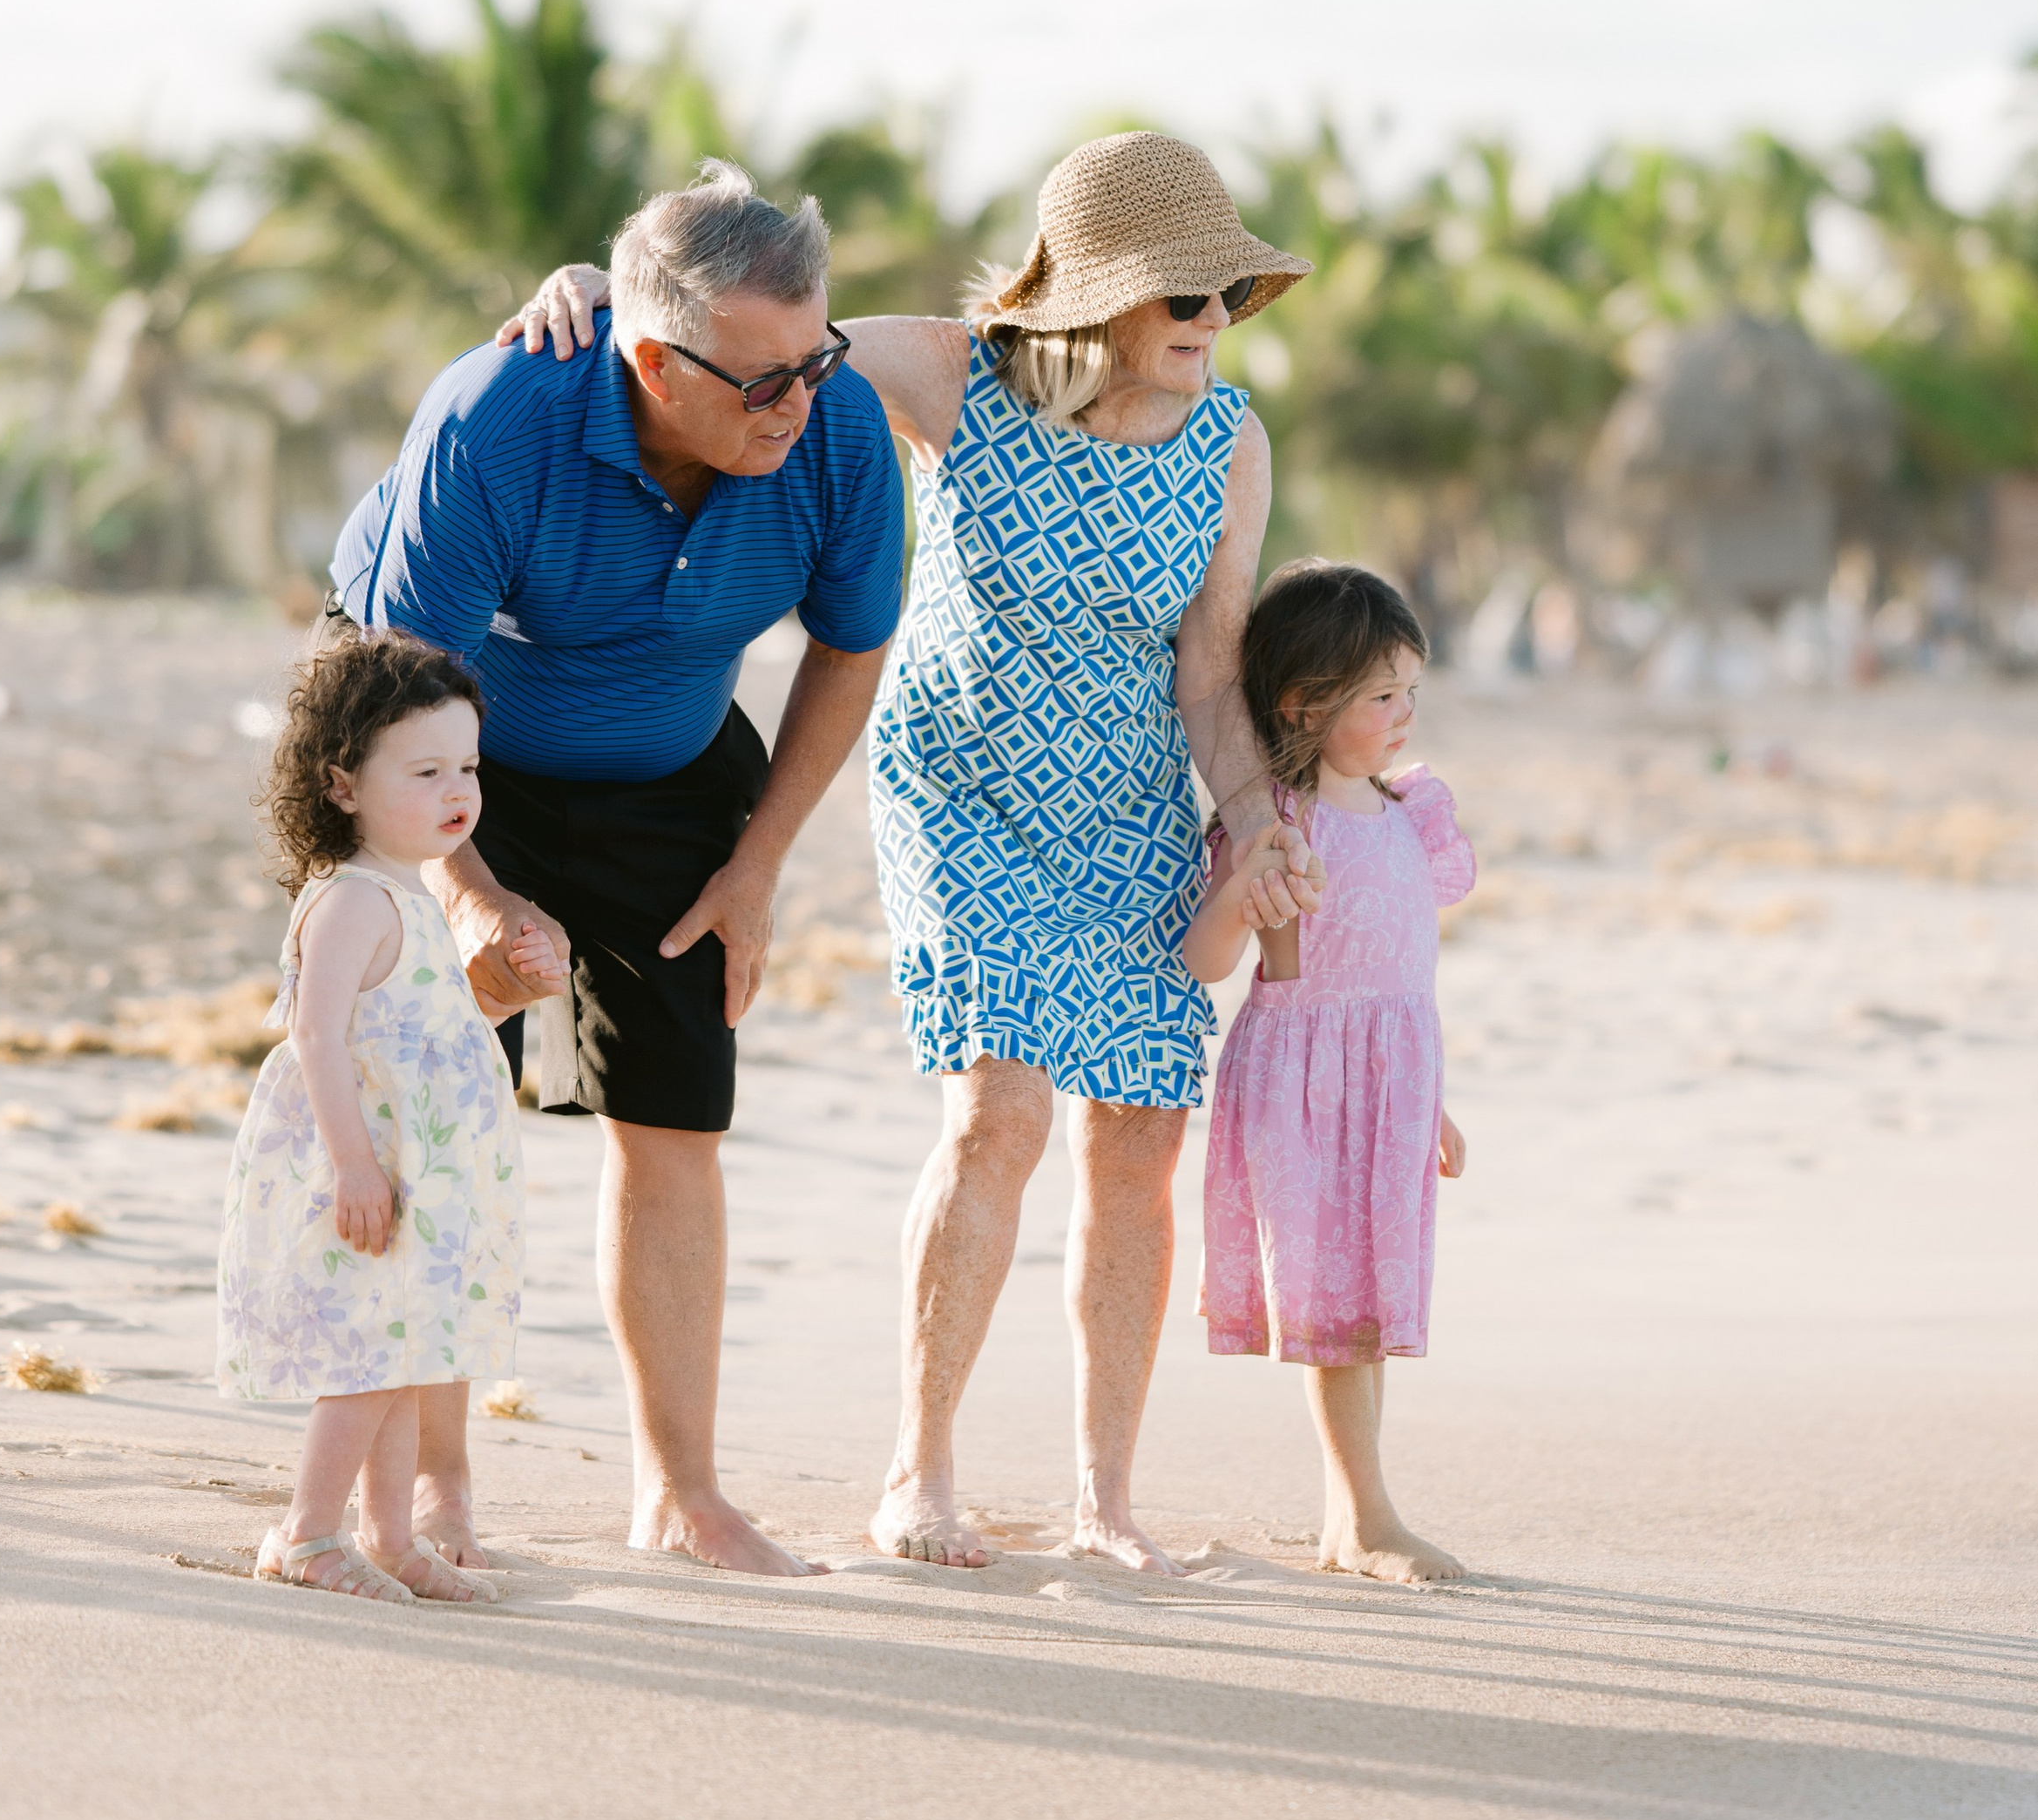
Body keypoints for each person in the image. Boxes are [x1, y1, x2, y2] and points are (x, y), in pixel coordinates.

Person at [509, 130, 1323, 1577]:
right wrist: (602, 285)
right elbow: (755, 342)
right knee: (995, 1117)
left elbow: (1210, 671)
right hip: (963, 792)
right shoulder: (959, 378)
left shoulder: (1231, 443)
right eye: (1182, 295)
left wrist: (1253, 816)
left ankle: (1103, 1498)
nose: (1213, 320)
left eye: (1224, 294)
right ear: (1092, 299)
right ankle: (919, 1474)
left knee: (1135, 1144)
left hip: (1130, 806)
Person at [338, 162, 904, 1580]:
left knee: (673, 1112)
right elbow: (398, 687)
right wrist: (470, 896)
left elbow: (849, 648)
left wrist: (759, 864)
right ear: (653, 361)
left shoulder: (830, 430)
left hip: (668, 761)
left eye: (816, 359)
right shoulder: (498, 417)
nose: (801, 400)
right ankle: (403, 1485)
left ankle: (681, 1494)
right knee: (435, 1082)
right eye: (762, 379)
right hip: (443, 749)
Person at [219, 627, 537, 1604]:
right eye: (427, 768)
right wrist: (355, 1166)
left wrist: (511, 994)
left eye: (469, 767)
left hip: (422, 1175)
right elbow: (314, 1036)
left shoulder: (415, 892)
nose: (458, 790)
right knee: (364, 1358)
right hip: (370, 1173)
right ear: (343, 783)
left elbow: (423, 1029)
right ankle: (307, 1534)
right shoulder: (352, 897)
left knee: (409, 1353)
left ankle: (390, 1536)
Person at [1182, 559, 1476, 1586]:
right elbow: (1209, 959)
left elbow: (1406, 970)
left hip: (1390, 1082)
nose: (1404, 711)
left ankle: (1357, 1510)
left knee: (1367, 1307)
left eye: (1409, 688)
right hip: (1302, 1083)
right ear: (1305, 703)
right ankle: (1362, 1514)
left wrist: (1431, 1103)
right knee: (1335, 1308)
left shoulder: (1408, 809)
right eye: (1380, 693)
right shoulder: (1274, 819)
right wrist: (1240, 896)